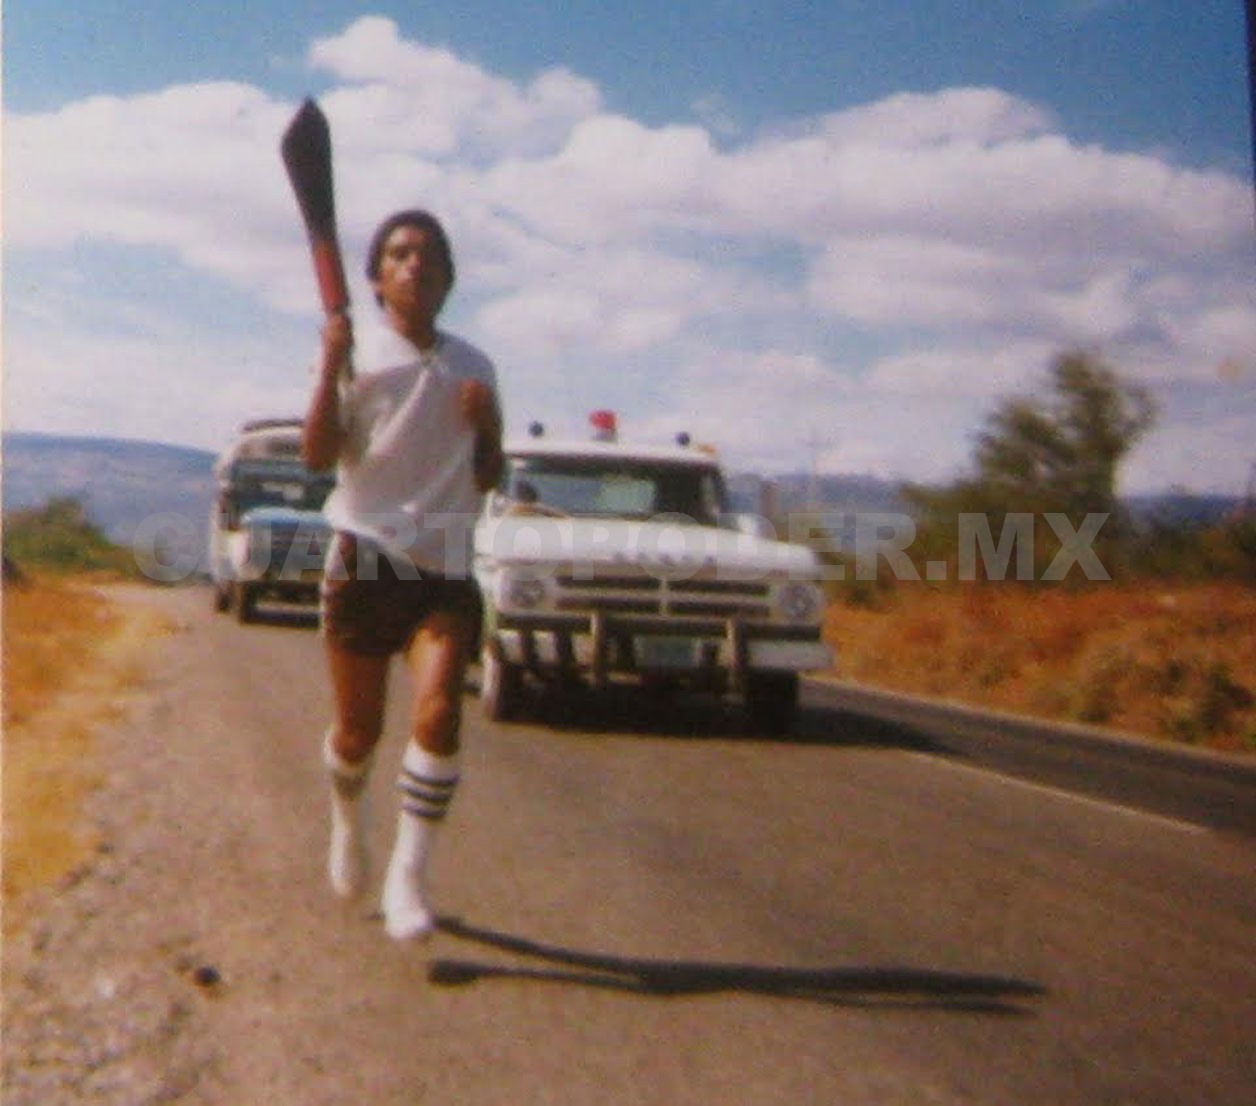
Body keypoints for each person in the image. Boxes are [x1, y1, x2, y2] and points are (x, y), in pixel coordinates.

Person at [302, 208, 503, 940]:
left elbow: (489, 475)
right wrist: (331, 365)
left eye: (429, 255)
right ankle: (347, 817)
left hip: (443, 572)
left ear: (448, 277)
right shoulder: (358, 355)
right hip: (365, 563)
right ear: (378, 279)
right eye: (399, 254)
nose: (415, 264)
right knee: (359, 733)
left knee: (440, 711)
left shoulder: (475, 366)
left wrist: (489, 427)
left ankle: (408, 878)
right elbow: (317, 455)